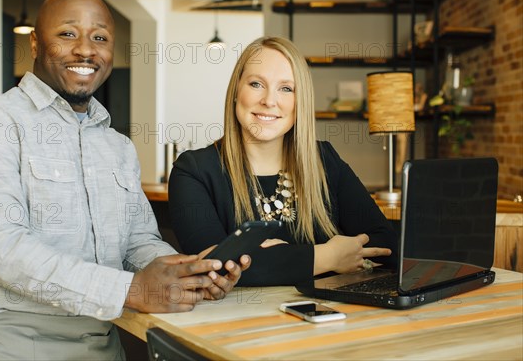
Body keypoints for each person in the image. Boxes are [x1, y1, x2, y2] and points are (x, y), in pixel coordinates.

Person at [0, 0, 249, 360]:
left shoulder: (117, 146)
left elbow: (138, 242)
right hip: (17, 345)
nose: (86, 50)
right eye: (68, 34)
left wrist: (190, 276)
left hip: (107, 343)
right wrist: (131, 290)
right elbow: (3, 251)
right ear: (36, 43)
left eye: (100, 38)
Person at [168, 36, 397, 286]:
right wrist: (328, 257)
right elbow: (212, 269)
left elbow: (385, 245)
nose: (269, 100)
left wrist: (276, 258)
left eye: (286, 88)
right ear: (236, 92)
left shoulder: (325, 160)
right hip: (236, 323)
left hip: (327, 318)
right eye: (256, 84)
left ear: (300, 102)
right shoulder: (193, 171)